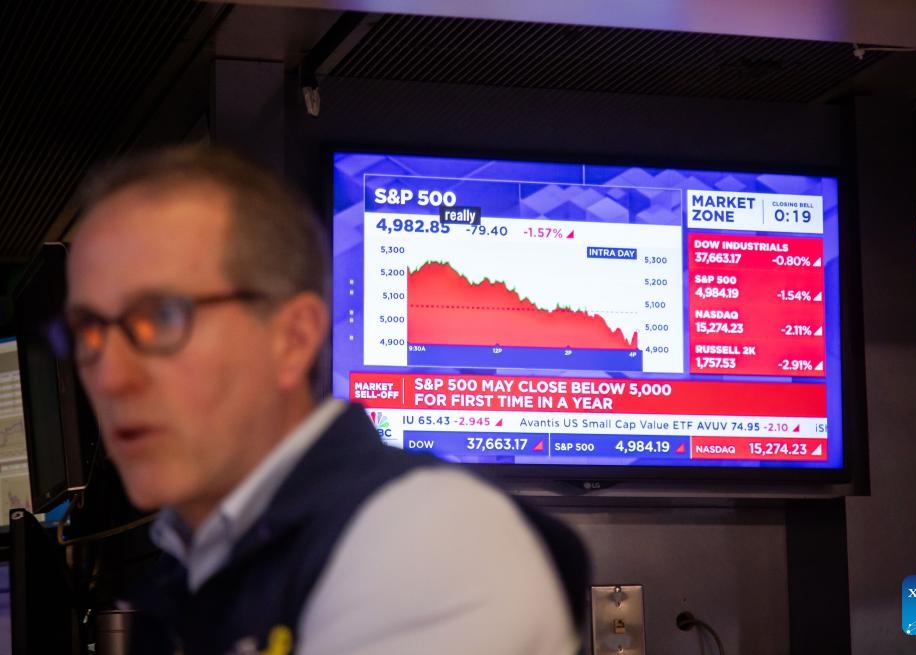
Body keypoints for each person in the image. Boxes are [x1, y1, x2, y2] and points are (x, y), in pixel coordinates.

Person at [61, 145, 587, 654]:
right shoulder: (191, 567)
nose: (109, 375)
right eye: (88, 332)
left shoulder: (424, 540)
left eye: (160, 319)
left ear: (292, 339)